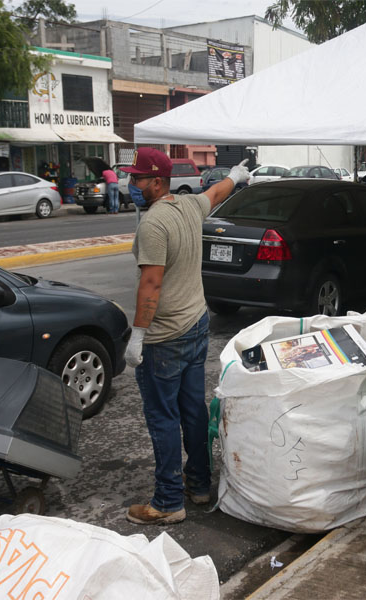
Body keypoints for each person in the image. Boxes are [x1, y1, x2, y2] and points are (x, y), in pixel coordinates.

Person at [122, 148, 250, 525]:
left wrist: (137, 336)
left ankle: (167, 501)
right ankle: (198, 485)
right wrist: (237, 177)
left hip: (165, 338)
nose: (132, 184)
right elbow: (216, 193)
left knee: (163, 417)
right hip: (196, 324)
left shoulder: (153, 225)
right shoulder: (189, 205)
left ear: (157, 181)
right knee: (192, 410)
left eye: (138, 178)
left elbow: (151, 283)